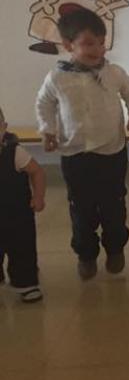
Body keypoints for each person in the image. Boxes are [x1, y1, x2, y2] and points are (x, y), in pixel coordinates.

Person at [35, 8, 129, 280]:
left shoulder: (114, 73)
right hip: (76, 154)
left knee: (113, 205)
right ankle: (86, 254)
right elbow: (44, 103)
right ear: (68, 45)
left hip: (111, 152)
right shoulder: (57, 77)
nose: (97, 49)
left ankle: (115, 247)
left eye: (101, 42)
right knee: (81, 208)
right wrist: (48, 131)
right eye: (88, 43)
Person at [0, 106, 46, 303]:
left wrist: (38, 197)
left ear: (4, 128)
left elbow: (37, 172)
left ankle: (26, 283)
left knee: (22, 248)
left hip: (17, 215)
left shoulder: (15, 152)